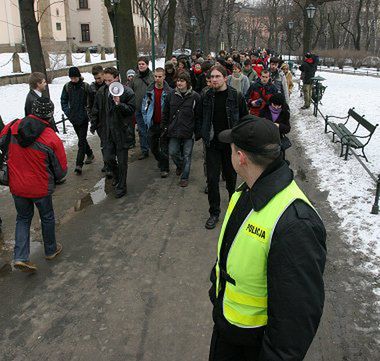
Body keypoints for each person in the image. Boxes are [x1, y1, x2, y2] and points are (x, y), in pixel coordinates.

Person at [208, 116, 327, 361]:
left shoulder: (296, 223)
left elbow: (295, 322)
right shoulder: (248, 189)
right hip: (228, 327)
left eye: (231, 149)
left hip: (252, 344)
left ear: (240, 158)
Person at [0, 98, 67, 272]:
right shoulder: (51, 137)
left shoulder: (13, 126)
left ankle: (21, 256)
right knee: (47, 217)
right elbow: (61, 170)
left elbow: (2, 140)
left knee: (22, 218)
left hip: (17, 185)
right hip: (40, 187)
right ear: (50, 115)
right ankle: (51, 250)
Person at [200, 65, 248, 229]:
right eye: (212, 77)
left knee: (231, 179)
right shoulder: (206, 96)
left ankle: (233, 209)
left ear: (225, 78)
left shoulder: (236, 96)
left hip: (230, 145)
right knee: (212, 180)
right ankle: (214, 213)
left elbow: (244, 119)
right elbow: (201, 116)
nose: (214, 79)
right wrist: (203, 133)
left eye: (217, 76)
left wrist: (242, 142)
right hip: (212, 144)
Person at [92, 67, 136, 198]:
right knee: (108, 159)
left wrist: (119, 104)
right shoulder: (101, 91)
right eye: (105, 80)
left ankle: (122, 186)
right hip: (107, 132)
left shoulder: (127, 92)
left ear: (116, 78)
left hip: (122, 132)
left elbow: (132, 109)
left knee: (122, 162)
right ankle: (117, 176)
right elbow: (96, 109)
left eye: (109, 80)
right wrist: (94, 124)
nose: (107, 83)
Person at [162, 72, 202, 187]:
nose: (179, 83)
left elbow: (199, 116)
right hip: (174, 130)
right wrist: (165, 127)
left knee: (187, 155)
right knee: (173, 152)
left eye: (182, 81)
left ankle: (184, 177)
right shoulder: (171, 95)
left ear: (187, 82)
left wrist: (197, 131)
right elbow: (166, 112)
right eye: (178, 80)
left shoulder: (195, 97)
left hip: (189, 131)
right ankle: (180, 165)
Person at [60, 66, 94, 175]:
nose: (73, 80)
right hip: (73, 117)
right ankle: (90, 153)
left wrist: (88, 113)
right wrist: (68, 112)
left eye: (75, 77)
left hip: (84, 117)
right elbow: (63, 100)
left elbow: (92, 100)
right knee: (81, 138)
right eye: (72, 78)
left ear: (79, 76)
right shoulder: (67, 87)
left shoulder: (85, 86)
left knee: (81, 141)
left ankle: (79, 164)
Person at [141, 68, 171, 178]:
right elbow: (144, 107)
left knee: (164, 147)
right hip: (152, 123)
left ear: (164, 77)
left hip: (164, 124)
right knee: (152, 147)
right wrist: (146, 119)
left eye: (160, 76)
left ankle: (165, 168)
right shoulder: (149, 91)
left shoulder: (169, 92)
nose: (157, 79)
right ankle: (161, 161)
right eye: (155, 76)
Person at [130, 57, 154, 160]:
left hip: (150, 109)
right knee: (141, 130)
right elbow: (131, 91)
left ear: (147, 65)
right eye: (139, 64)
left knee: (151, 129)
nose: (141, 66)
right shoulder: (135, 78)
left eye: (143, 64)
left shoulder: (152, 77)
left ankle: (154, 147)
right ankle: (144, 150)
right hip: (138, 108)